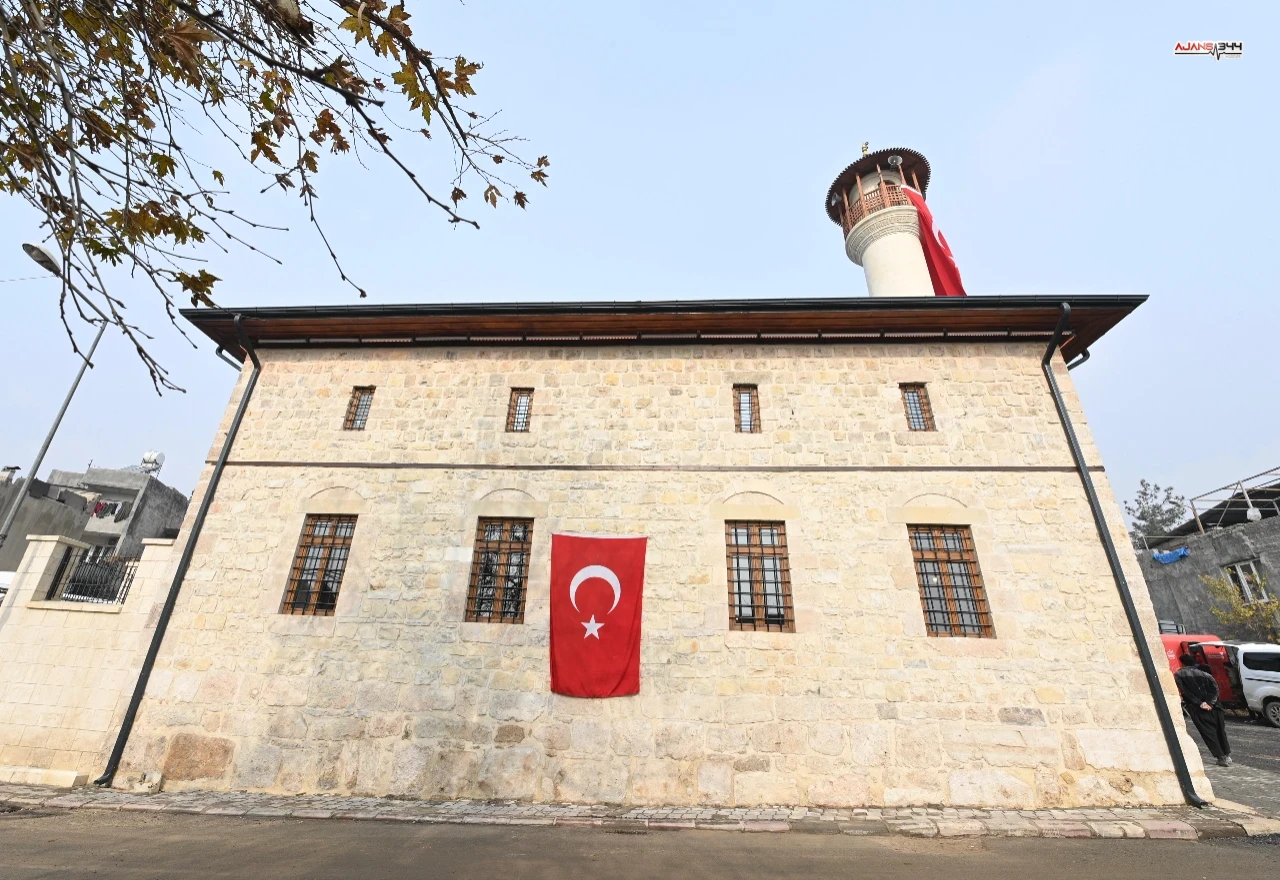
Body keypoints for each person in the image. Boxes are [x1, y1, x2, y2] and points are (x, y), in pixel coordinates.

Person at [1174, 653, 1232, 766]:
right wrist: (1210, 702)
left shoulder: (1179, 675)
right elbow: (1215, 689)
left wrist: (1200, 703)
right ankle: (1227, 755)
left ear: (1182, 662)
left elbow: (1185, 692)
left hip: (1197, 708)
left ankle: (1220, 757)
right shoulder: (1206, 673)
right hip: (1216, 707)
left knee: (1208, 733)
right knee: (1220, 731)